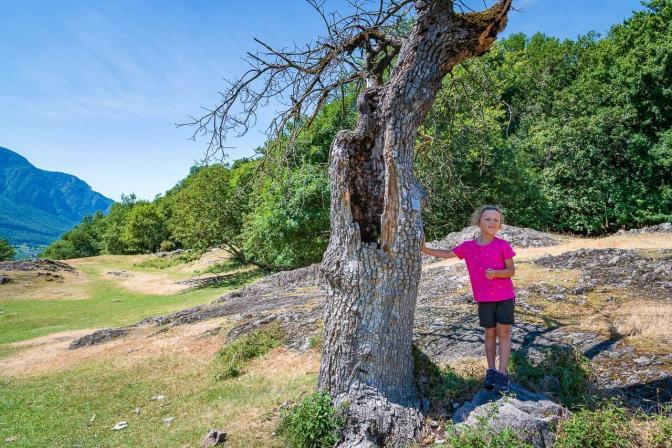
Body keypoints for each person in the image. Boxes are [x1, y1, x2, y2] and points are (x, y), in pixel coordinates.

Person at [420, 205, 516, 394]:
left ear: (500, 225)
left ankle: (503, 374)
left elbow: (511, 271)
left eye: (496, 220)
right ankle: (491, 370)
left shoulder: (503, 245)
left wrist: (496, 274)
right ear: (478, 222)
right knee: (489, 334)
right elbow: (448, 253)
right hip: (484, 299)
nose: (492, 223)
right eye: (487, 219)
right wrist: (425, 249)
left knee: (503, 333)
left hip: (505, 297)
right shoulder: (468, 247)